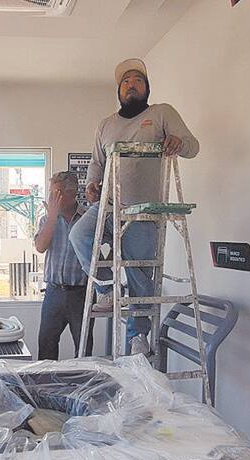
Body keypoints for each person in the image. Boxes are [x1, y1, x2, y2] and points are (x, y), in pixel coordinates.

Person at [68, 58, 200, 356]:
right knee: (79, 236)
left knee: (141, 274)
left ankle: (137, 336)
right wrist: (91, 185)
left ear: (147, 88)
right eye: (126, 81)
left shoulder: (162, 113)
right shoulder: (106, 125)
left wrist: (178, 142)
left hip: (144, 211)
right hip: (109, 206)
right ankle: (107, 288)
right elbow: (96, 164)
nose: (131, 84)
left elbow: (193, 146)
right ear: (119, 90)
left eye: (138, 80)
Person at [34, 171, 92, 360]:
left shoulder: (88, 219)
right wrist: (51, 218)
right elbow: (40, 247)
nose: (51, 198)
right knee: (46, 345)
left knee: (83, 348)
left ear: (71, 193)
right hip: (53, 292)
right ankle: (45, 388)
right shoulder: (46, 219)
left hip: (81, 293)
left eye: (56, 193)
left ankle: (83, 387)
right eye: (51, 193)